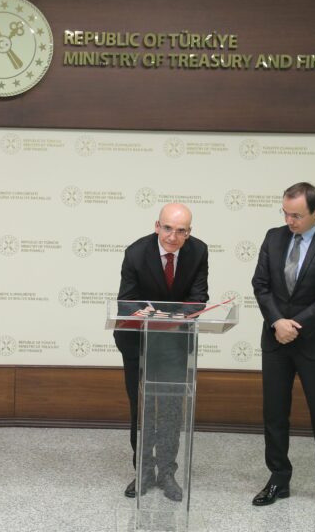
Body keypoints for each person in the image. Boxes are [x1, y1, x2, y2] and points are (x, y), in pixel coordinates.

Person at [251, 182, 315, 514]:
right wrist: (277, 322)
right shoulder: (273, 238)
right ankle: (279, 478)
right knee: (274, 414)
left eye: (296, 215)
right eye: (285, 213)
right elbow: (261, 285)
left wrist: (294, 325)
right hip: (275, 339)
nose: (289, 221)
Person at [115, 203, 209, 501]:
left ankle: (167, 472)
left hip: (175, 343)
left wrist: (175, 317)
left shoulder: (199, 251)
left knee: (170, 410)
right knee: (142, 409)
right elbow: (127, 301)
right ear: (157, 226)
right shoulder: (136, 253)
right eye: (167, 228)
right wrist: (153, 316)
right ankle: (143, 471)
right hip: (138, 343)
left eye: (181, 231)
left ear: (189, 232)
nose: (172, 236)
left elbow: (199, 297)